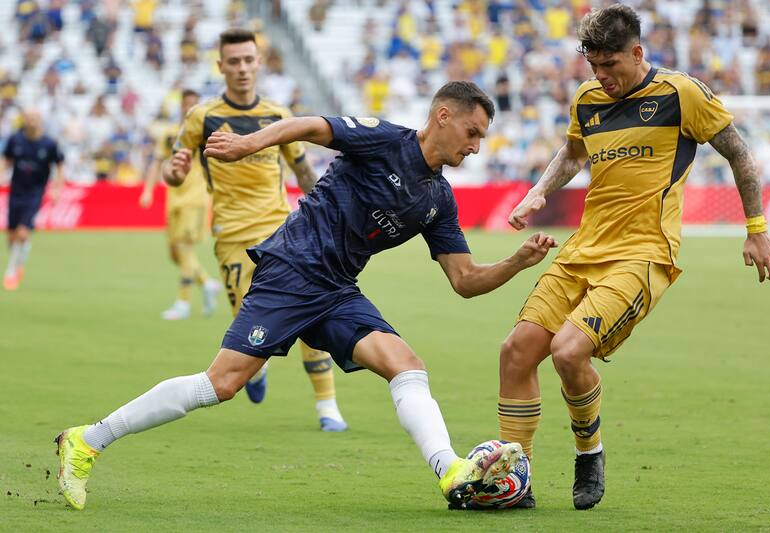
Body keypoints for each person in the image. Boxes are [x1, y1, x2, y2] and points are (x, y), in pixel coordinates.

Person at [54, 80, 559, 511]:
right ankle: (87, 440)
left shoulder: (438, 199)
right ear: (443, 116)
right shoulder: (385, 139)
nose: (476, 147)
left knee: (406, 365)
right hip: (291, 271)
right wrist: (248, 145)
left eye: (481, 138)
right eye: (473, 133)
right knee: (222, 383)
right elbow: (309, 126)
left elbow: (465, 280)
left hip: (337, 290)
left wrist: (516, 261)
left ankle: (450, 471)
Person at [497, 3, 770, 512]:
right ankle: (514, 479)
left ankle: (589, 452)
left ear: (637, 52)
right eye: (593, 66)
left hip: (643, 254)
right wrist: (538, 191)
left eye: (610, 65)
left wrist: (757, 230)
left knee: (568, 352)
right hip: (583, 249)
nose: (601, 76)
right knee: (516, 351)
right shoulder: (588, 98)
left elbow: (738, 153)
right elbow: (573, 152)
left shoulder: (682, 94)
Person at [164, 29, 347, 430]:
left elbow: (303, 170)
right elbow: (173, 168)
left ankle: (327, 407)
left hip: (283, 232)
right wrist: (173, 172)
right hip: (232, 238)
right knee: (251, 325)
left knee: (310, 315)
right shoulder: (202, 117)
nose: (243, 68)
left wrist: (329, 216)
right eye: (234, 61)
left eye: (249, 60)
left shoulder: (279, 115)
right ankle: (257, 367)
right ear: (221, 66)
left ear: (259, 63)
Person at [139, 89, 221, 320]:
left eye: (194, 104)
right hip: (173, 198)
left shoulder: (206, 133)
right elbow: (157, 162)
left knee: (184, 248)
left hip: (196, 197)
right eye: (186, 104)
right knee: (175, 253)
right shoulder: (170, 134)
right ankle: (206, 283)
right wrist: (148, 190)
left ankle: (183, 302)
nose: (189, 108)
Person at [2, 107, 64, 291]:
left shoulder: (49, 144)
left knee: (22, 232)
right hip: (16, 192)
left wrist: (57, 189)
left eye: (34, 118)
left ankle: (11, 271)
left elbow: (59, 165)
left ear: (40, 120)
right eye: (28, 118)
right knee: (11, 236)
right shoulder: (15, 140)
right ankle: (21, 256)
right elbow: (7, 160)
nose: (31, 121)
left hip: (35, 194)